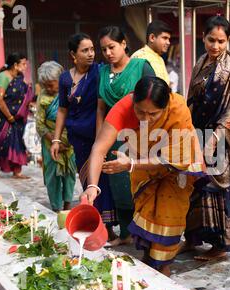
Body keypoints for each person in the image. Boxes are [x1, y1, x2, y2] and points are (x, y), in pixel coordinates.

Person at [81, 76, 202, 276]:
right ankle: (149, 263)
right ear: (133, 102)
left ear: (165, 107)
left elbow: (174, 159)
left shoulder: (178, 109)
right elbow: (99, 148)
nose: (145, 119)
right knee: (145, 211)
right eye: (140, 111)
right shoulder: (123, 108)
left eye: (153, 114)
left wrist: (131, 164)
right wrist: (92, 186)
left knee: (167, 216)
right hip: (143, 165)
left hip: (177, 168)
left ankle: (164, 270)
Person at [181, 15, 230, 261]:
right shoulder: (200, 62)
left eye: (220, 41)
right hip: (198, 131)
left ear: (228, 41)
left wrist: (215, 138)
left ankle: (220, 246)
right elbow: (191, 98)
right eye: (210, 40)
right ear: (203, 38)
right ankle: (192, 239)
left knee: (218, 189)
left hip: (223, 136)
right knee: (196, 186)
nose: (215, 46)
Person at [97, 25, 155, 245]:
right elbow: (100, 109)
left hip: (139, 134)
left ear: (123, 44)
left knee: (140, 184)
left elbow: (154, 99)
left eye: (112, 47)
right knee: (119, 187)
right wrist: (100, 142)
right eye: (104, 49)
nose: (108, 53)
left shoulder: (141, 67)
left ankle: (147, 233)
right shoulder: (103, 72)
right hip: (113, 136)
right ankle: (126, 234)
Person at [51, 33, 115, 229]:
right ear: (73, 54)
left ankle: (108, 226)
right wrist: (56, 139)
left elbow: (101, 107)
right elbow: (62, 109)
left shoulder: (99, 71)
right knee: (86, 179)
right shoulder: (64, 79)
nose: (91, 54)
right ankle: (96, 221)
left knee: (103, 180)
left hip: (98, 136)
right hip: (77, 139)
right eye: (84, 50)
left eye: (92, 49)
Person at [36, 61, 76, 212]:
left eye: (51, 85)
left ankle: (67, 205)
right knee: (53, 176)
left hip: (70, 142)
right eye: (45, 85)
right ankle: (56, 208)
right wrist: (54, 140)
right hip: (50, 142)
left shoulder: (70, 92)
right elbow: (40, 124)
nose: (48, 88)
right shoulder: (43, 97)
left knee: (70, 174)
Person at [0, 52, 34, 179]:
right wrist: (9, 117)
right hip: (1, 116)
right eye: (23, 64)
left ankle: (17, 171)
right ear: (15, 65)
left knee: (18, 141)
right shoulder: (3, 77)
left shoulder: (19, 77)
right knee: (2, 142)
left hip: (17, 117)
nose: (25, 67)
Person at [131, 20, 172, 84]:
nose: (168, 42)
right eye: (165, 38)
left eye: (169, 39)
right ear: (152, 38)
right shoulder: (139, 57)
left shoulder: (160, 59)